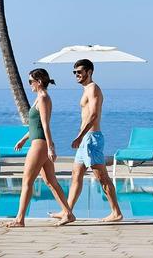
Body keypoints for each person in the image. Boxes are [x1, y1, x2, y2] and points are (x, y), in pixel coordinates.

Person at [50, 58, 123, 223]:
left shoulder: (93, 89)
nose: (77, 75)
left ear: (89, 72)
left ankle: (116, 212)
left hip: (91, 139)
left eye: (80, 72)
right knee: (76, 175)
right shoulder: (86, 90)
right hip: (85, 140)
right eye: (74, 72)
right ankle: (67, 212)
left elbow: (94, 115)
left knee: (102, 177)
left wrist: (80, 135)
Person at [5, 68, 76, 227]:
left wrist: (50, 147)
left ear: (38, 82)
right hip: (38, 142)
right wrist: (23, 139)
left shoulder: (43, 98)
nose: (29, 84)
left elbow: (45, 125)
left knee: (27, 182)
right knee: (51, 182)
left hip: (40, 145)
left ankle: (19, 219)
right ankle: (68, 213)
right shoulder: (39, 98)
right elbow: (34, 125)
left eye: (31, 81)